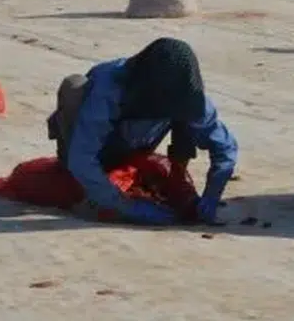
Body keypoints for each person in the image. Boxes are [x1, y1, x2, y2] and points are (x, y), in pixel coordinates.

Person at [48, 38, 238, 225]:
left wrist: (212, 194)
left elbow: (225, 148)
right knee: (74, 86)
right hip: (101, 147)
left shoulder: (188, 95)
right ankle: (90, 190)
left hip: (137, 147)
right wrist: (128, 207)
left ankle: (176, 180)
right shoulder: (109, 87)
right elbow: (82, 158)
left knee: (188, 114)